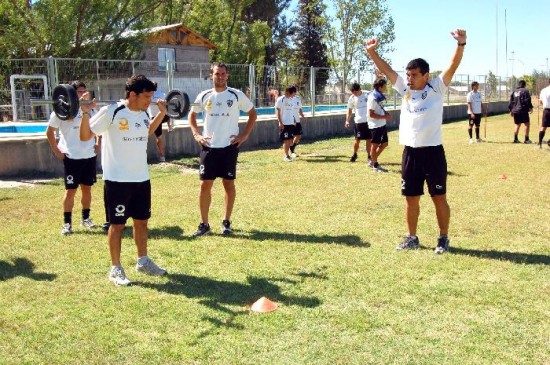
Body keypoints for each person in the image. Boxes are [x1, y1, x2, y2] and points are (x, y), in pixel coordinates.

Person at [365, 29, 467, 254]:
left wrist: (461, 44)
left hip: (433, 153)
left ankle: (443, 238)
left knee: (439, 197)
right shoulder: (405, 90)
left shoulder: (437, 89)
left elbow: (453, 65)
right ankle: (412, 237)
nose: (408, 79)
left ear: (426, 75)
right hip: (410, 153)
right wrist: (372, 52)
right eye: (407, 75)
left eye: (413, 75)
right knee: (411, 199)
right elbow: (387, 70)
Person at [80, 74, 168, 286]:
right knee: (117, 225)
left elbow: (145, 133)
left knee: (142, 222)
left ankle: (143, 261)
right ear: (132, 94)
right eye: (147, 97)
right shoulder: (112, 112)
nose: (150, 100)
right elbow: (85, 136)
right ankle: (116, 268)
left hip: (141, 178)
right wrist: (84, 113)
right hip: (117, 180)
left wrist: (161, 114)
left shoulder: (144, 113)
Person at [189, 62, 257, 237]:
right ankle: (204, 224)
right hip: (209, 147)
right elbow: (192, 116)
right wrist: (197, 134)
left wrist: (244, 135)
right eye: (216, 74)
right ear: (211, 75)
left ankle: (226, 222)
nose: (220, 77)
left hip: (229, 147)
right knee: (205, 185)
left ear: (227, 76)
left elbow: (252, 113)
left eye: (223, 74)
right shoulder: (204, 96)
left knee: (228, 184)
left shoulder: (236, 95)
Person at [46, 80, 100, 235]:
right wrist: (57, 151)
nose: (83, 94)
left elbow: (99, 129)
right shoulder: (62, 111)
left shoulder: (91, 110)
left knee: (87, 189)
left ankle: (86, 218)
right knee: (70, 191)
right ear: (71, 93)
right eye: (79, 91)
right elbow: (49, 132)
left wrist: (98, 143)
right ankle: (67, 224)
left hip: (89, 156)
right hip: (71, 157)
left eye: (84, 90)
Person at [366, 78, 391, 172]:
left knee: (384, 143)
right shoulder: (373, 98)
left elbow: (379, 109)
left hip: (382, 124)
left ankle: (373, 160)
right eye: (385, 86)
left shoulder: (378, 95)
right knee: (375, 145)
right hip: (375, 125)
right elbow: (371, 114)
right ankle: (375, 166)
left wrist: (385, 114)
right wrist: (384, 117)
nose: (386, 87)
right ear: (380, 86)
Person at [345, 82, 372, 164]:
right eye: (353, 92)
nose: (354, 94)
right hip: (358, 123)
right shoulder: (352, 98)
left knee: (369, 139)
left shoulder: (367, 96)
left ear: (359, 90)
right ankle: (355, 154)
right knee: (357, 140)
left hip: (368, 122)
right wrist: (347, 120)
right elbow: (349, 110)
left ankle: (369, 156)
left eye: (355, 92)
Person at [147, 89, 173, 162]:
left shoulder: (148, 96)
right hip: (162, 116)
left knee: (159, 138)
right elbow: (167, 105)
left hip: (155, 118)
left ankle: (162, 157)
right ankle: (169, 126)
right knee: (168, 115)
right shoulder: (163, 94)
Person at [275, 86, 296, 162]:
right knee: (286, 141)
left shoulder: (291, 100)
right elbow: (277, 112)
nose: (294, 95)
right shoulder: (281, 99)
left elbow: (292, 112)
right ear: (288, 92)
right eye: (293, 93)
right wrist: (280, 122)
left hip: (290, 123)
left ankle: (289, 154)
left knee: (290, 141)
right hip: (284, 124)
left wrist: (294, 120)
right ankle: (286, 156)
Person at [290, 86, 306, 157]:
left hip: (297, 120)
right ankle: (291, 151)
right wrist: (292, 118)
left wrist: (303, 117)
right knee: (290, 136)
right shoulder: (288, 99)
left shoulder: (298, 99)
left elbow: (299, 109)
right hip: (290, 120)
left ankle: (292, 148)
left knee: (298, 136)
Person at [537, 79, 550, 148]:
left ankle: (539, 143)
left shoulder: (543, 90)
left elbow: (540, 102)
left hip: (546, 110)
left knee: (543, 127)